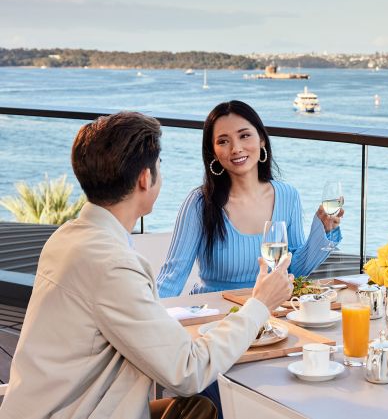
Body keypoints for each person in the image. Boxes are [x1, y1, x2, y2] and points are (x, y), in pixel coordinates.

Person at [0, 112, 293, 419]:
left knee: (199, 407)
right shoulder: (110, 264)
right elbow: (188, 371)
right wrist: (260, 304)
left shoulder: (69, 237)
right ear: (145, 178)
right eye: (159, 167)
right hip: (77, 412)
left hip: (42, 405)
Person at [157, 100, 343, 298]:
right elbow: (172, 277)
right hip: (216, 318)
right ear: (213, 151)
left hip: (271, 313)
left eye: (244, 136)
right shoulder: (199, 203)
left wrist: (323, 230)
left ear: (261, 139)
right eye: (223, 141)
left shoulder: (288, 196)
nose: (236, 148)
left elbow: (293, 271)